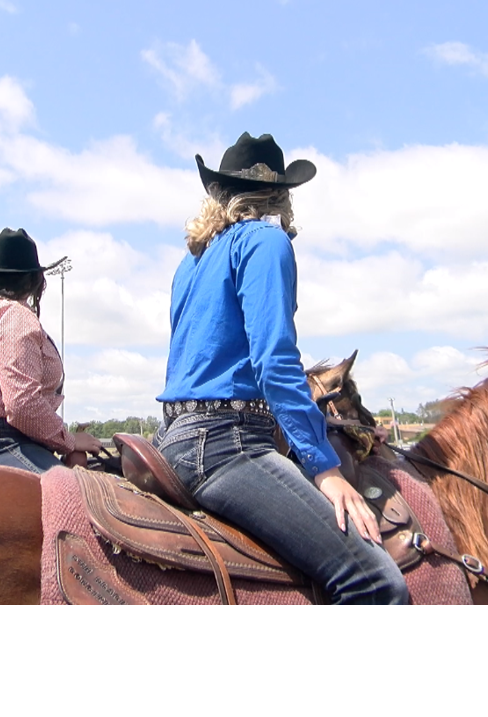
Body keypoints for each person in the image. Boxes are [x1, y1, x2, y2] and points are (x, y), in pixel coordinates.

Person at [154, 133, 408, 605]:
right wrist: (324, 467)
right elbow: (275, 364)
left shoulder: (191, 262)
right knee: (376, 582)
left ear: (221, 194)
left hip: (170, 439)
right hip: (227, 444)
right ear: (281, 197)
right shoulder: (266, 242)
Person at [0, 228, 103, 473]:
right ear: (34, 280)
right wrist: (69, 440)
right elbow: (22, 403)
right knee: (74, 496)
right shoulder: (13, 315)